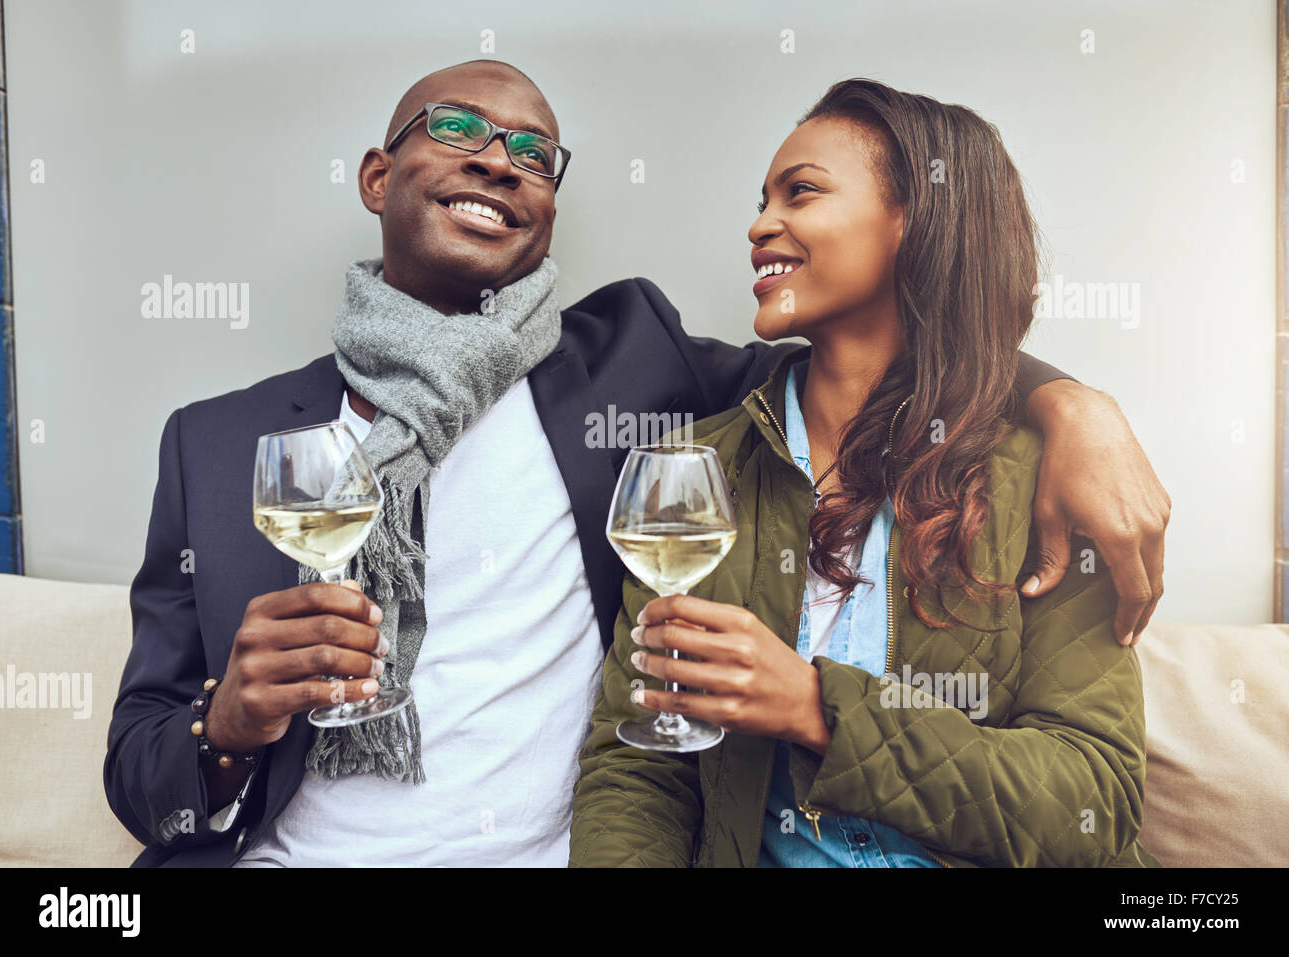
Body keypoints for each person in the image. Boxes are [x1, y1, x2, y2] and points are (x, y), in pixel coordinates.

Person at [105, 61, 1167, 867]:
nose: (497, 160)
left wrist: (1077, 404)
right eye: (460, 129)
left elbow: (904, 358)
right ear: (380, 175)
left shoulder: (631, 374)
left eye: (533, 154)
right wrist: (225, 728)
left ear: (550, 207)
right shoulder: (218, 441)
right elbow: (142, 773)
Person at [570, 78, 1159, 867]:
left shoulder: (1045, 476)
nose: (759, 224)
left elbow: (1092, 800)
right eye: (763, 198)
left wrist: (820, 710)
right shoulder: (696, 469)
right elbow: (638, 769)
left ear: (915, 224)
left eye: (800, 193)